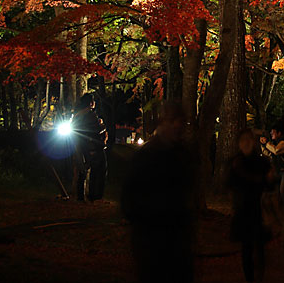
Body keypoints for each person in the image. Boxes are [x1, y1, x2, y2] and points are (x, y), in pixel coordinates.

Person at [121, 101, 197, 283]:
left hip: (174, 237)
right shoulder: (147, 156)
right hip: (152, 236)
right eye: (175, 122)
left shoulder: (182, 155)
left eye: (181, 122)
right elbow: (130, 196)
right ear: (165, 123)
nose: (178, 127)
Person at [228, 128, 272, 283]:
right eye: (243, 140)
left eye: (249, 139)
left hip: (258, 209)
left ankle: (258, 277)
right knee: (246, 249)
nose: (246, 143)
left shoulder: (261, 162)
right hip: (243, 211)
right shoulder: (235, 162)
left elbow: (269, 185)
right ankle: (250, 279)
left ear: (253, 142)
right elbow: (229, 184)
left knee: (259, 249)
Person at [72, 92, 107, 202]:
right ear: (91, 103)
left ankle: (81, 196)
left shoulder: (77, 115)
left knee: (83, 170)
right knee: (98, 171)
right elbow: (95, 130)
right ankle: (94, 195)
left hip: (81, 146)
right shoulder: (90, 115)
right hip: (93, 147)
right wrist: (102, 125)